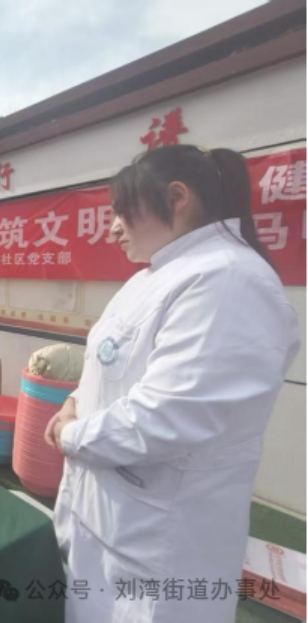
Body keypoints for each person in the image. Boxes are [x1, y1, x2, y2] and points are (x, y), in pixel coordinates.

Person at [44, 145, 300, 623]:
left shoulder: (229, 280)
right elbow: (109, 366)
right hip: (106, 519)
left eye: (122, 210)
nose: (113, 227)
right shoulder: (151, 279)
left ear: (177, 198)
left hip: (159, 544)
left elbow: (168, 416)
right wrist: (73, 401)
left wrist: (71, 435)